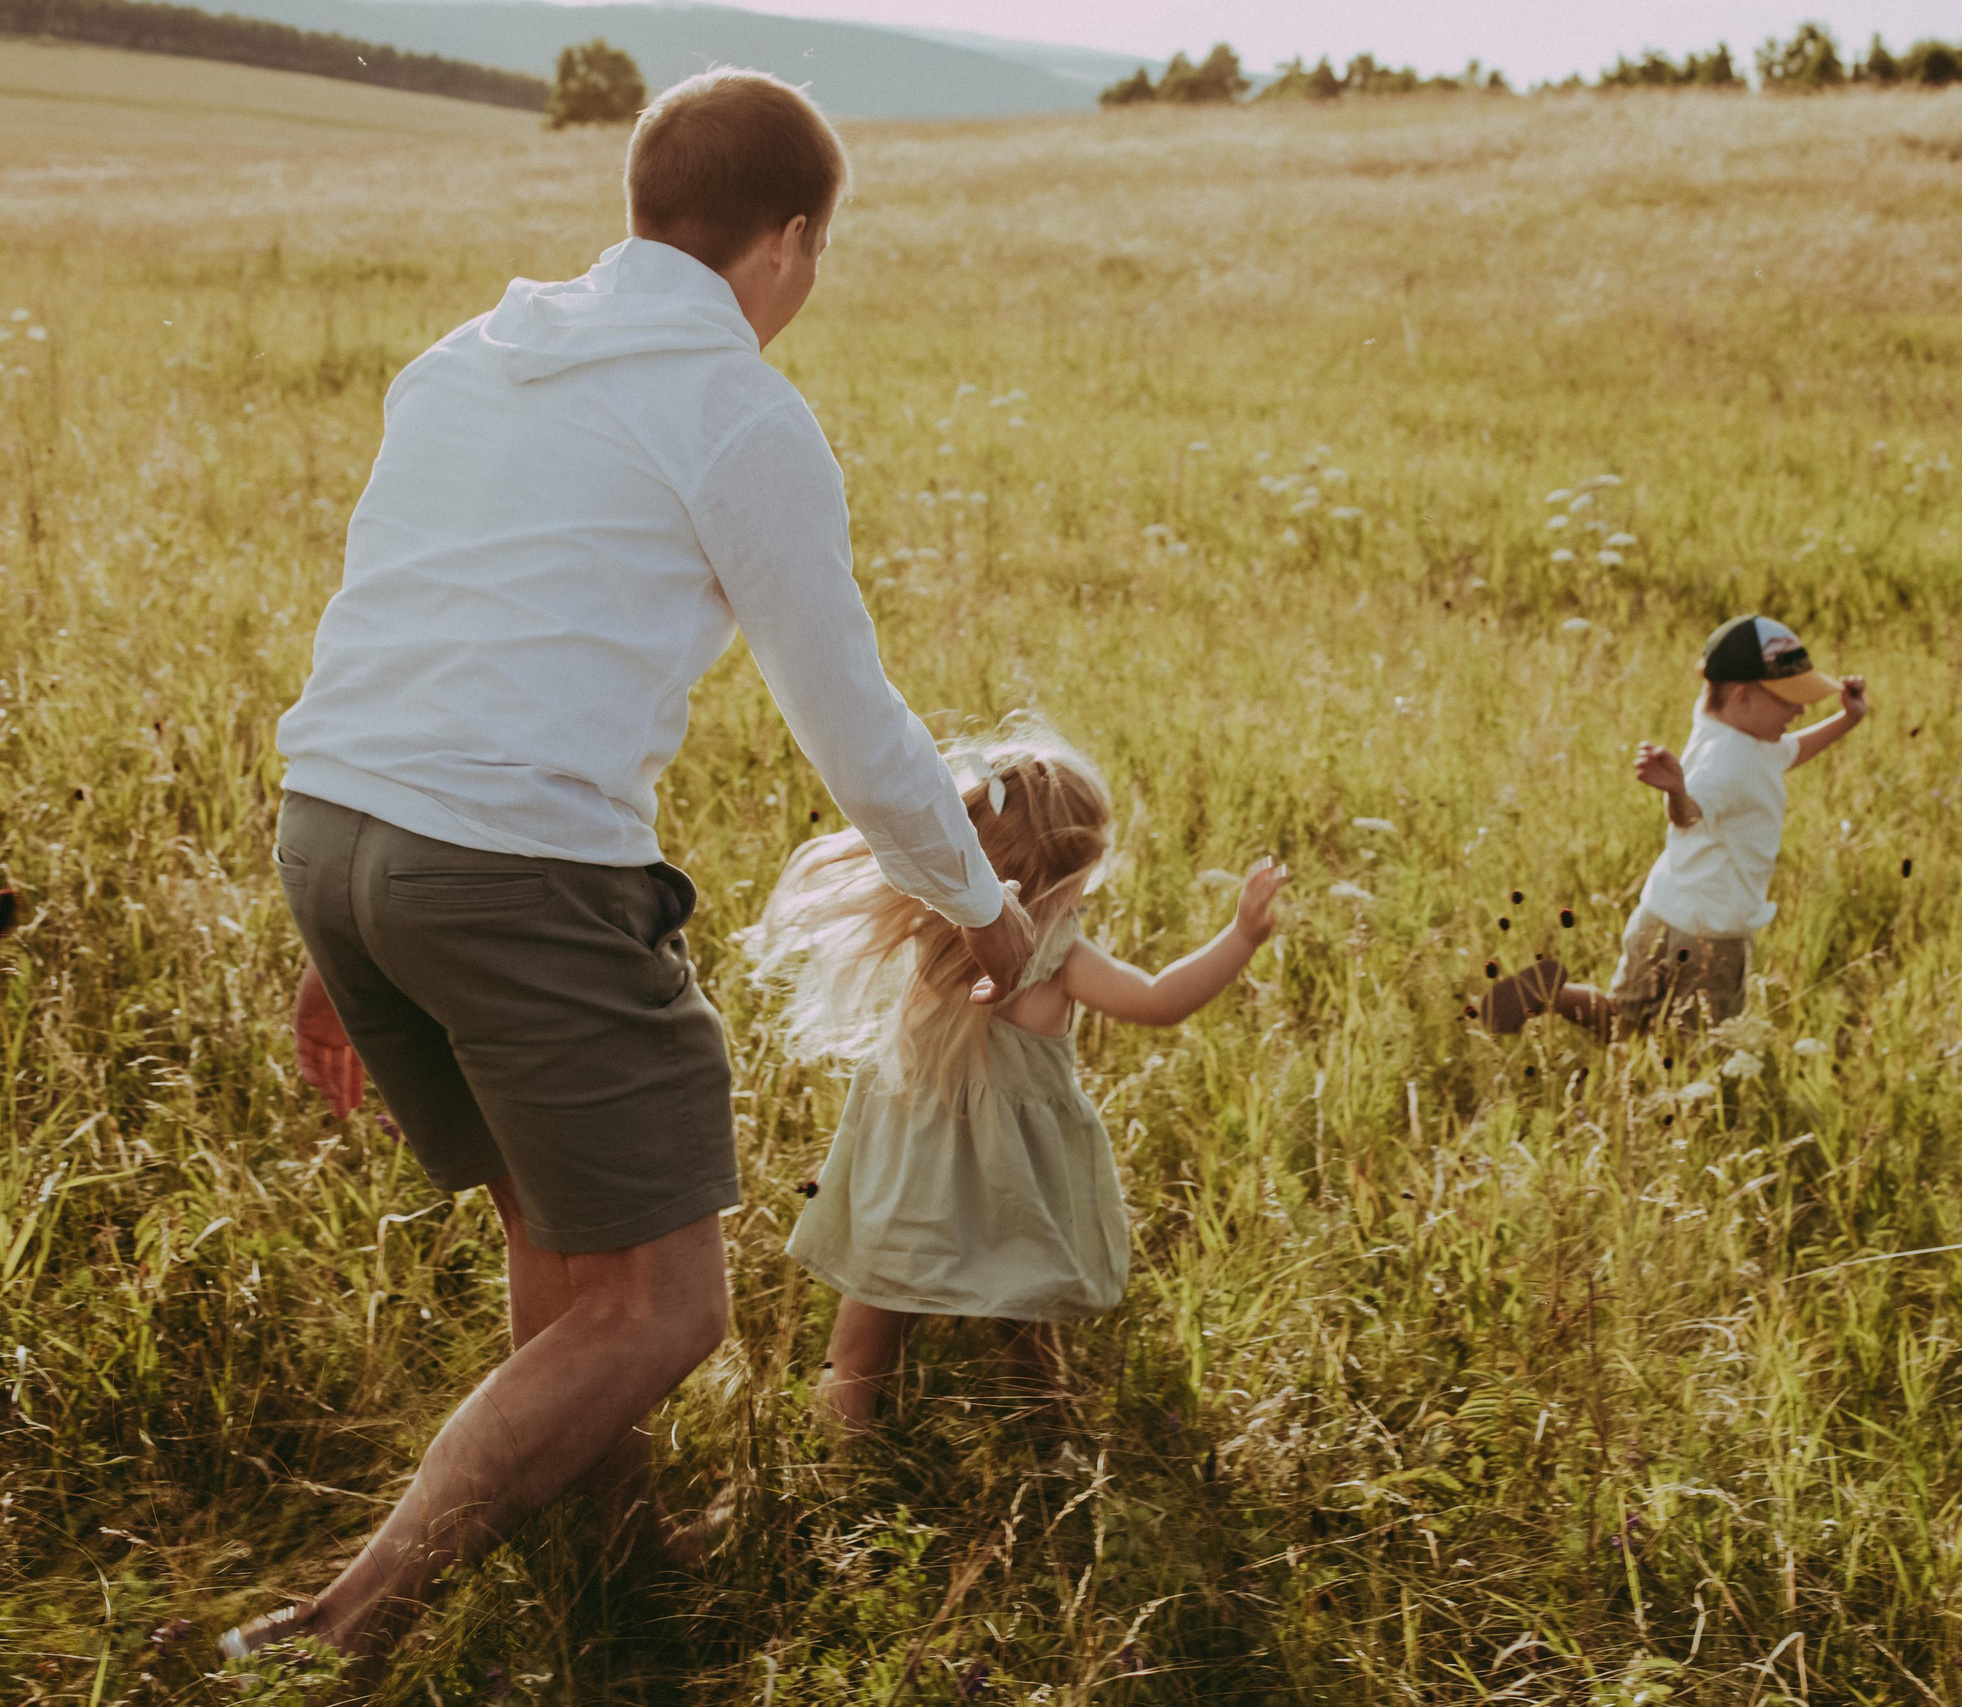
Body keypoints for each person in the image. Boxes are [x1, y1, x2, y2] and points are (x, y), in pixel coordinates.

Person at [226, 68, 1036, 1661]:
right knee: (665, 1302)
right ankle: (340, 1624)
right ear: (791, 240)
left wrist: (345, 925)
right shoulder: (738, 411)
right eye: (816, 250)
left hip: (334, 833)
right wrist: (980, 900)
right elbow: (852, 720)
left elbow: (393, 627)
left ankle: (613, 1555)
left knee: (564, 1234)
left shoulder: (467, 357)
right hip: (509, 871)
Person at [742, 718, 1288, 1431]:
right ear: (1061, 879)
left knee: (865, 1333)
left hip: (910, 1173)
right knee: (1023, 1305)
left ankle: (842, 1440)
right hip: (1011, 1183)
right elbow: (1159, 1001)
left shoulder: (933, 927)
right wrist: (1241, 937)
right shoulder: (1059, 955)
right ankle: (1043, 1430)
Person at [1486, 614, 1866, 1036]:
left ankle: (1550, 996)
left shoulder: (1734, 734)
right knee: (1696, 1044)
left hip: (1662, 911)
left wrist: (1847, 719)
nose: (1800, 709)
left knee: (1622, 1019)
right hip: (1710, 935)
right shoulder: (1728, 760)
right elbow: (1689, 815)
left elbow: (1789, 752)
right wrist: (1677, 793)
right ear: (1742, 696)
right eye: (1789, 699)